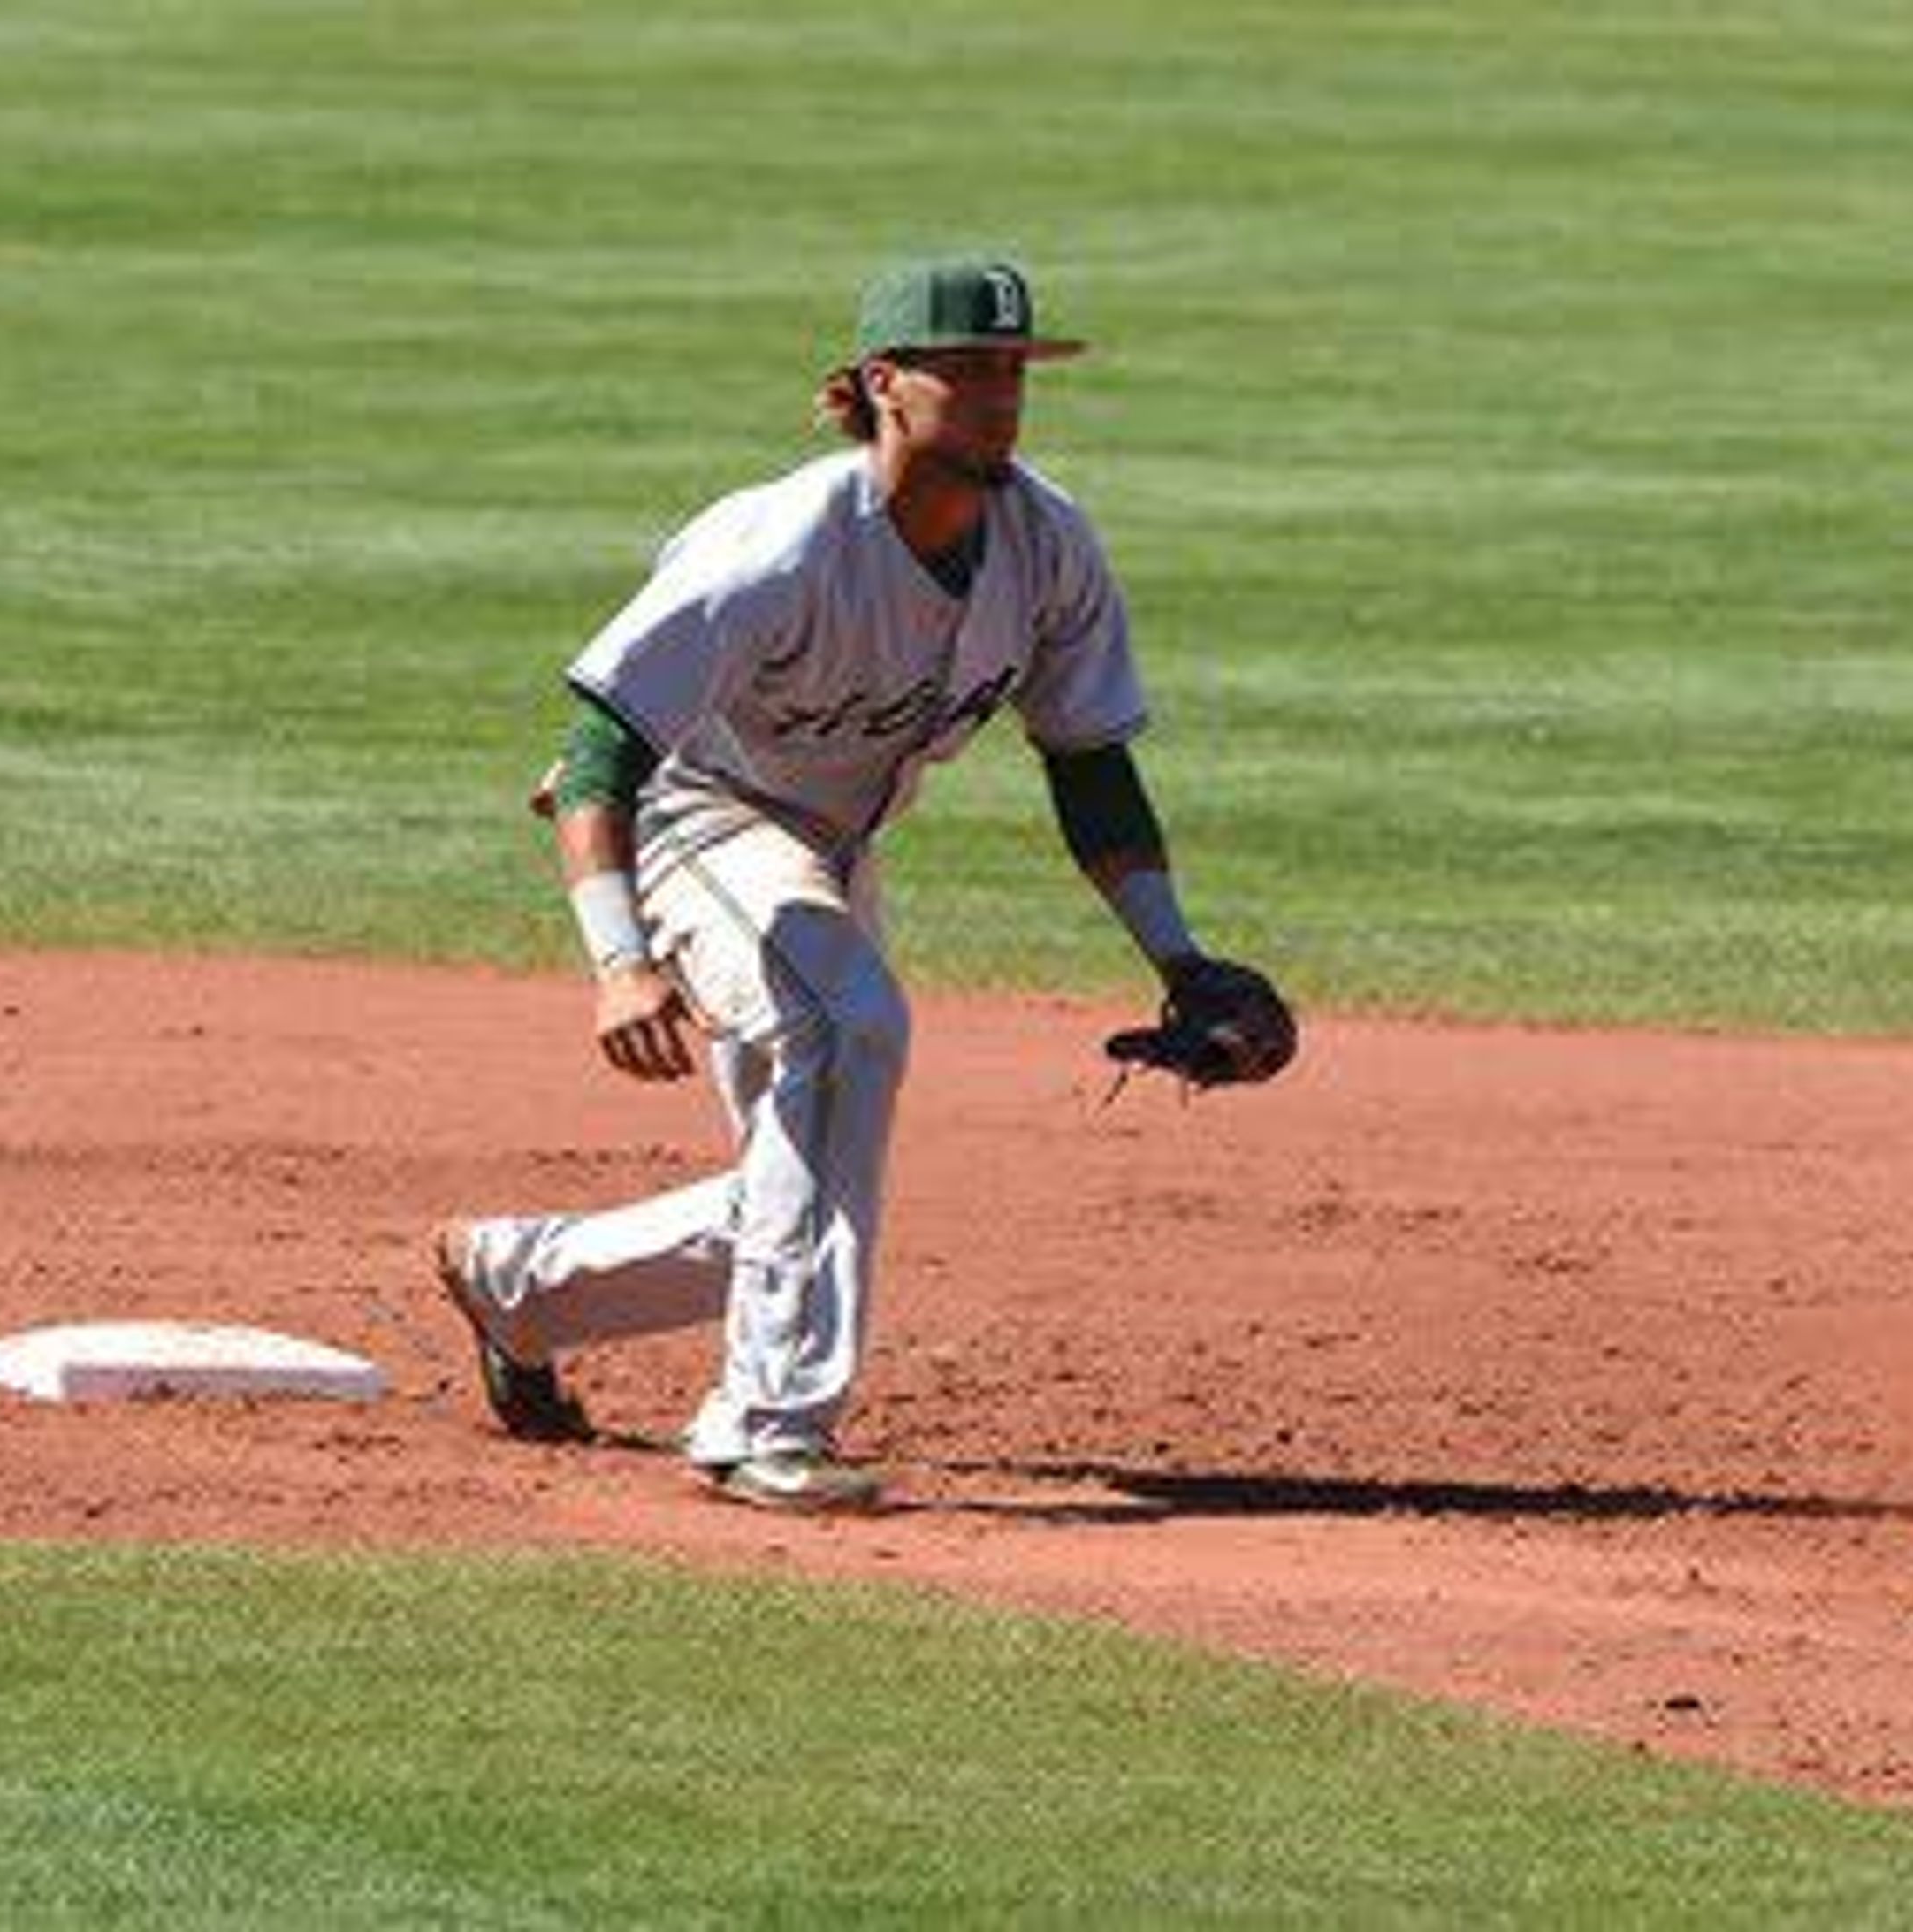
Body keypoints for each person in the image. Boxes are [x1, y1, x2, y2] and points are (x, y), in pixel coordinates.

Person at [431, 256, 1292, 1515]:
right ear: (884, 385)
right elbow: (596, 756)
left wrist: (1180, 957)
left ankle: (525, 1285)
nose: (1001, 394)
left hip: (831, 844)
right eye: (969, 369)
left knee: (809, 1163)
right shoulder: (774, 547)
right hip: (698, 815)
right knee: (848, 1024)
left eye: (1015, 370)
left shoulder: (1046, 543)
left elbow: (1090, 764)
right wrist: (620, 961)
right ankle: (763, 1423)